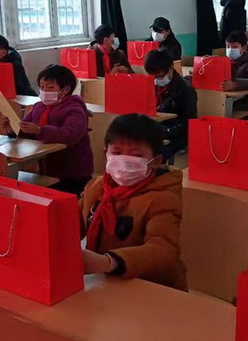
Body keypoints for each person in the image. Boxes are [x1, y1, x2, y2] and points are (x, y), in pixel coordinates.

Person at [79, 113, 186, 291]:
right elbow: (68, 222)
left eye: (136, 155)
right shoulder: (97, 187)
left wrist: (108, 262)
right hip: (107, 282)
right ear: (106, 153)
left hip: (153, 288)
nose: (124, 162)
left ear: (156, 161)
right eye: (117, 153)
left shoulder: (163, 198)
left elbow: (164, 251)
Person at [4, 64, 93, 195]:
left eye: (50, 87)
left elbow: (70, 134)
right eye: (42, 87)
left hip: (73, 170)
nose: (45, 91)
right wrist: (12, 129)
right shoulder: (38, 107)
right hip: (46, 167)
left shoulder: (74, 109)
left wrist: (40, 130)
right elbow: (27, 130)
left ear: (65, 89)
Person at [144, 50, 197, 163]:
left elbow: (187, 123)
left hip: (177, 133)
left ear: (171, 68)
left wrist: (163, 132)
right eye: (152, 76)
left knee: (153, 154)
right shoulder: (148, 84)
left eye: (159, 76)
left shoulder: (185, 90)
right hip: (154, 128)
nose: (156, 80)